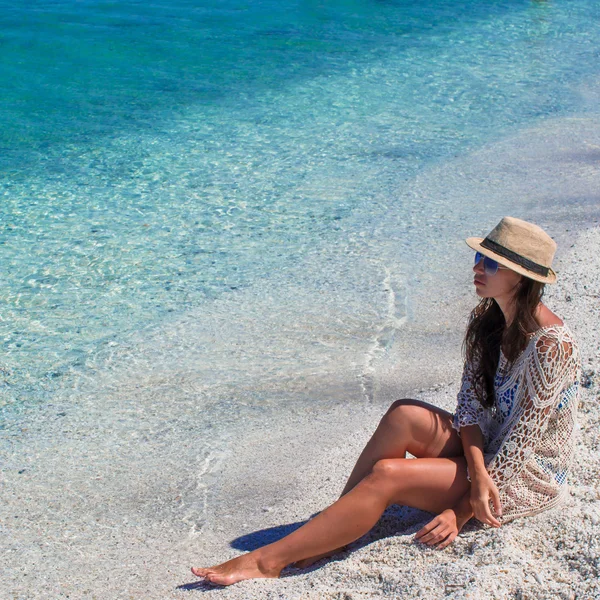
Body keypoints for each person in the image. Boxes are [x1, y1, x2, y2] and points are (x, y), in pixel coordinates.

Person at [191, 216, 581, 586]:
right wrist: (475, 470)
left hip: (526, 475)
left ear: (523, 278)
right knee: (404, 414)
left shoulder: (551, 345)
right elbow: (471, 408)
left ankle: (267, 561)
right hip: (490, 454)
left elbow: (521, 444)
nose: (478, 268)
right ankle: (333, 531)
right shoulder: (488, 320)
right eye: (479, 258)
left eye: (491, 264)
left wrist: (460, 511)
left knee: (389, 474)